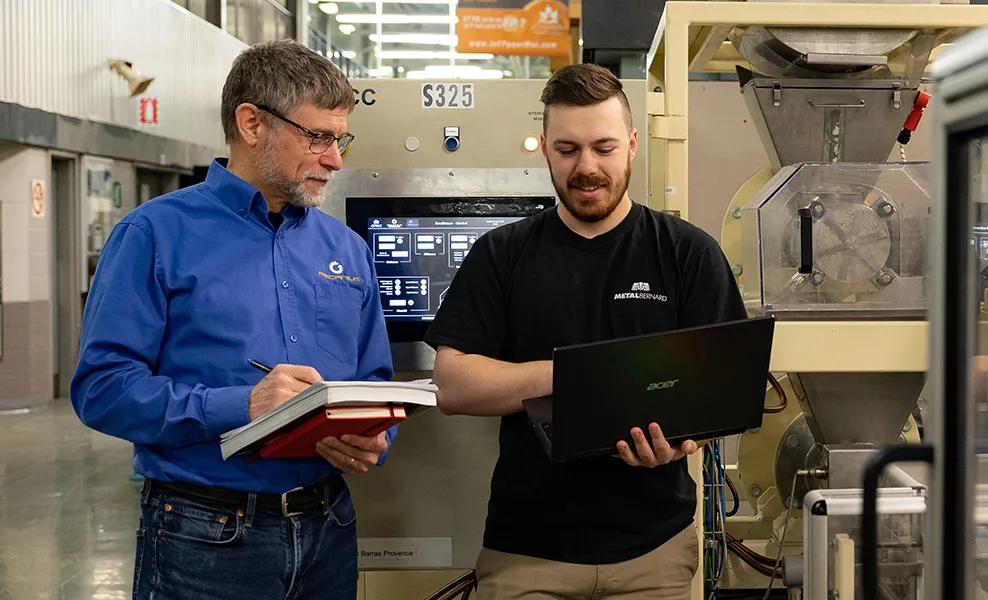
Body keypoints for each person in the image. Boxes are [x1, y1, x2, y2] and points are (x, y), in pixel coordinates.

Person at [70, 39, 393, 600]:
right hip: (205, 535)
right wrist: (241, 406)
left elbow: (374, 378)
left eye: (340, 140)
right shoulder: (154, 235)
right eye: (317, 137)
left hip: (329, 525)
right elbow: (102, 389)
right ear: (251, 123)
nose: (335, 160)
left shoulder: (345, 248)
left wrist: (372, 433)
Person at [426, 64, 746, 599]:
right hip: (527, 554)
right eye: (568, 149)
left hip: (654, 555)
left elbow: (724, 387)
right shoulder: (501, 255)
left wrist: (681, 443)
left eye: (604, 147)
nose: (587, 167)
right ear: (545, 149)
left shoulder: (687, 253)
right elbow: (453, 386)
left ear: (632, 144)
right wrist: (578, 374)